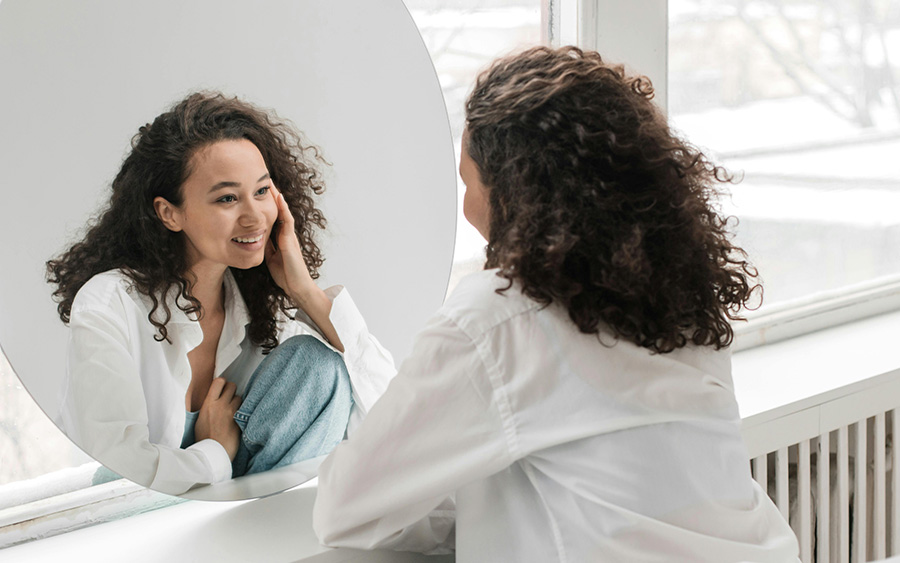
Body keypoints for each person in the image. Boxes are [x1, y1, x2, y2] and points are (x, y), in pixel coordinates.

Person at [312, 46, 800, 561]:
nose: (465, 206)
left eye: (466, 181)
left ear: (511, 192)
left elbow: (345, 507)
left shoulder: (498, 315)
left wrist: (467, 505)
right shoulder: (677, 296)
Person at [46, 92, 394, 496]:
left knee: (320, 366)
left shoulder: (259, 306)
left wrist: (303, 291)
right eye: (228, 198)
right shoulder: (109, 303)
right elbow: (120, 470)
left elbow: (388, 415)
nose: (254, 216)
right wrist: (214, 451)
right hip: (136, 526)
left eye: (262, 192)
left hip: (244, 522)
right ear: (169, 213)